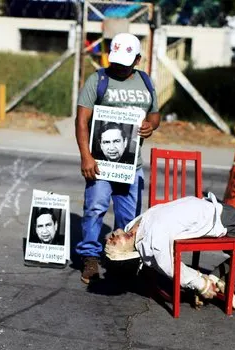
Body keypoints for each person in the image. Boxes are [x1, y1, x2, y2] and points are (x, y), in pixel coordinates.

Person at [104, 193, 235, 310]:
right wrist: (201, 284)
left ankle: (225, 278)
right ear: (126, 254)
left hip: (218, 209)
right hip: (226, 220)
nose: (111, 237)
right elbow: (170, 267)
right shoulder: (151, 244)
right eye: (113, 245)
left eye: (110, 238)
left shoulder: (133, 227)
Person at [75, 32, 161, 284]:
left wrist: (150, 126)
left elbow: (155, 114)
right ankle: (90, 257)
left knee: (130, 218)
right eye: (116, 61)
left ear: (137, 59)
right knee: (95, 209)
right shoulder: (98, 79)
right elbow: (82, 121)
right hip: (101, 163)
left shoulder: (145, 81)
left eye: (126, 62)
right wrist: (86, 157)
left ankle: (122, 259)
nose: (119, 68)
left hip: (132, 166)